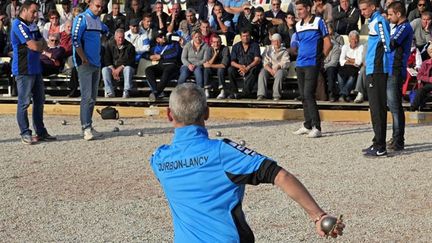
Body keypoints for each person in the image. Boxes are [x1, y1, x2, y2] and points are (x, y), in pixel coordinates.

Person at [150, 83, 345, 242]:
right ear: (207, 113)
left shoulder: (159, 160)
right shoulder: (222, 152)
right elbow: (280, 175)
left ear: (169, 114)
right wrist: (318, 216)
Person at [11, 0, 56, 144]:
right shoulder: (18, 25)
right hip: (24, 70)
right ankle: (25, 132)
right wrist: (38, 45)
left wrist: (39, 45)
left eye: (36, 12)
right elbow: (34, 45)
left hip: (36, 68)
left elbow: (44, 43)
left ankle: (41, 132)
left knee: (39, 101)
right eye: (33, 12)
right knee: (24, 102)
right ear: (24, 11)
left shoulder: (33, 25)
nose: (35, 15)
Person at [292, 0, 331, 138]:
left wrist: (320, 59)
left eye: (301, 9)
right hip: (300, 64)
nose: (299, 12)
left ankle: (317, 127)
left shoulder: (319, 21)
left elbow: (328, 43)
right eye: (297, 9)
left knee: (309, 94)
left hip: (312, 63)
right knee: (303, 95)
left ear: (308, 8)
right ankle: (307, 124)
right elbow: (298, 44)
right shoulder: (297, 25)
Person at [72, 0, 109, 141]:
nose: (99, 9)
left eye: (102, 7)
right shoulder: (81, 18)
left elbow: (107, 30)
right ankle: (85, 128)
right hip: (85, 63)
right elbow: (75, 39)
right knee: (86, 97)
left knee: (93, 97)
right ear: (90, 4)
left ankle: (89, 125)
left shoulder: (98, 20)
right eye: (97, 6)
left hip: (96, 63)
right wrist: (83, 57)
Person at [359, 0, 391, 157]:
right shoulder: (373, 21)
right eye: (361, 9)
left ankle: (380, 146)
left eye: (365, 9)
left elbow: (387, 44)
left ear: (373, 7)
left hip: (377, 70)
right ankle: (377, 141)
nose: (363, 12)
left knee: (378, 108)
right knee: (374, 108)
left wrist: (381, 65)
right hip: (372, 69)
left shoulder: (379, 21)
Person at [386, 2, 414, 151]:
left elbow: (391, 44)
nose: (389, 17)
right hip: (390, 69)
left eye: (391, 14)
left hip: (396, 70)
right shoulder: (398, 27)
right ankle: (395, 137)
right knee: (393, 106)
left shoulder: (404, 27)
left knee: (396, 106)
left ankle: (399, 140)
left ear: (398, 14)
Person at [144, 33, 181, 101]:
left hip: (171, 64)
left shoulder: (173, 43)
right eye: (161, 37)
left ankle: (156, 93)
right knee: (148, 70)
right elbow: (144, 54)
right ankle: (156, 91)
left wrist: (162, 56)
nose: (163, 37)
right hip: (161, 65)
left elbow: (176, 53)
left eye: (164, 36)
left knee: (166, 72)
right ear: (157, 40)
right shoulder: (155, 48)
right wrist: (150, 57)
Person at [102, 28, 136, 98]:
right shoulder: (109, 45)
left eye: (122, 37)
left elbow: (131, 61)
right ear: (115, 37)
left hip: (124, 68)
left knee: (128, 69)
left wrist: (119, 68)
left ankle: (126, 91)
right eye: (119, 37)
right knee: (104, 70)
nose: (121, 39)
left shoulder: (130, 47)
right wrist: (114, 70)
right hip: (113, 68)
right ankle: (109, 92)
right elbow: (106, 59)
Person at [228, 28, 261, 99]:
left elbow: (257, 60)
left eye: (247, 36)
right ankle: (234, 92)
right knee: (230, 70)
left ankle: (244, 93)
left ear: (250, 36)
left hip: (251, 67)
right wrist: (240, 67)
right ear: (240, 37)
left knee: (255, 69)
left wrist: (247, 68)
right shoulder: (236, 46)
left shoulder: (255, 45)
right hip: (240, 68)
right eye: (244, 36)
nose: (246, 38)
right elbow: (232, 62)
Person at [257, 33, 290, 101]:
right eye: (274, 41)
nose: (276, 42)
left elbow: (286, 62)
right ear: (272, 42)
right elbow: (264, 61)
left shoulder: (284, 51)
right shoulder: (268, 49)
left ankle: (276, 95)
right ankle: (261, 94)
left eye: (278, 41)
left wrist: (278, 66)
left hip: (280, 69)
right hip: (269, 68)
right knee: (262, 72)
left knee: (279, 74)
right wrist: (270, 70)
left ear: (280, 41)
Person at [337, 30, 363, 102]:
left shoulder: (361, 47)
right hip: (345, 67)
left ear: (358, 39)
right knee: (339, 75)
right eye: (352, 39)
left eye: (356, 39)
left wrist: (348, 59)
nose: (354, 41)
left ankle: (342, 94)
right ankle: (347, 95)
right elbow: (341, 61)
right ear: (349, 39)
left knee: (352, 76)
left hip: (355, 68)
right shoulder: (345, 47)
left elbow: (359, 62)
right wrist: (353, 60)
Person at [203, 34, 230, 99]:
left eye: (218, 42)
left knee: (220, 69)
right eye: (214, 42)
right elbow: (207, 64)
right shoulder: (209, 49)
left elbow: (223, 65)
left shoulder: (225, 49)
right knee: (206, 70)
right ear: (211, 43)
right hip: (213, 69)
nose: (216, 44)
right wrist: (215, 54)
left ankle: (222, 91)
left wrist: (210, 65)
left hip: (223, 70)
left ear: (221, 42)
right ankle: (207, 90)